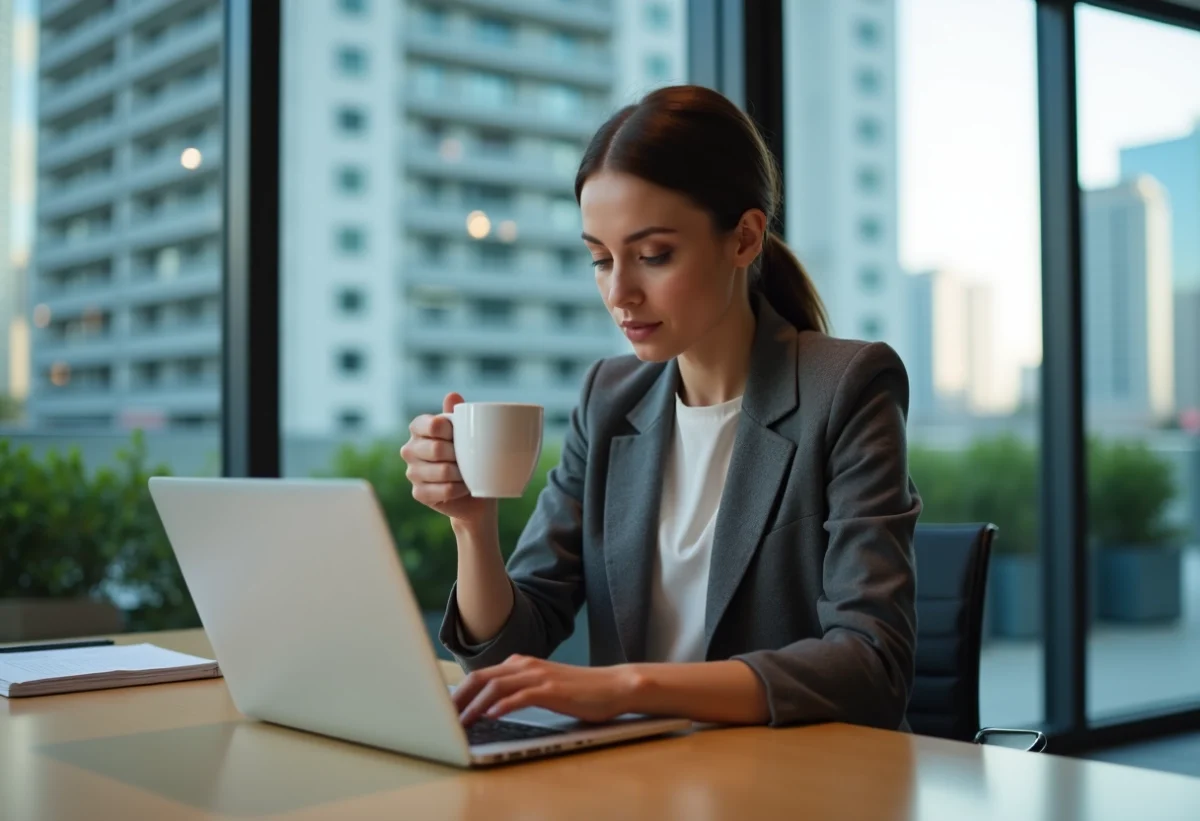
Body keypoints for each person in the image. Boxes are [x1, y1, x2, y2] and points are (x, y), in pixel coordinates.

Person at [400, 85, 921, 731]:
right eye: (599, 258)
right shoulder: (609, 399)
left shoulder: (846, 386)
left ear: (744, 238)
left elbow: (872, 665)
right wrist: (473, 526)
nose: (619, 292)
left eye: (653, 256)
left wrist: (623, 685)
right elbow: (508, 651)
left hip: (784, 777)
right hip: (638, 777)